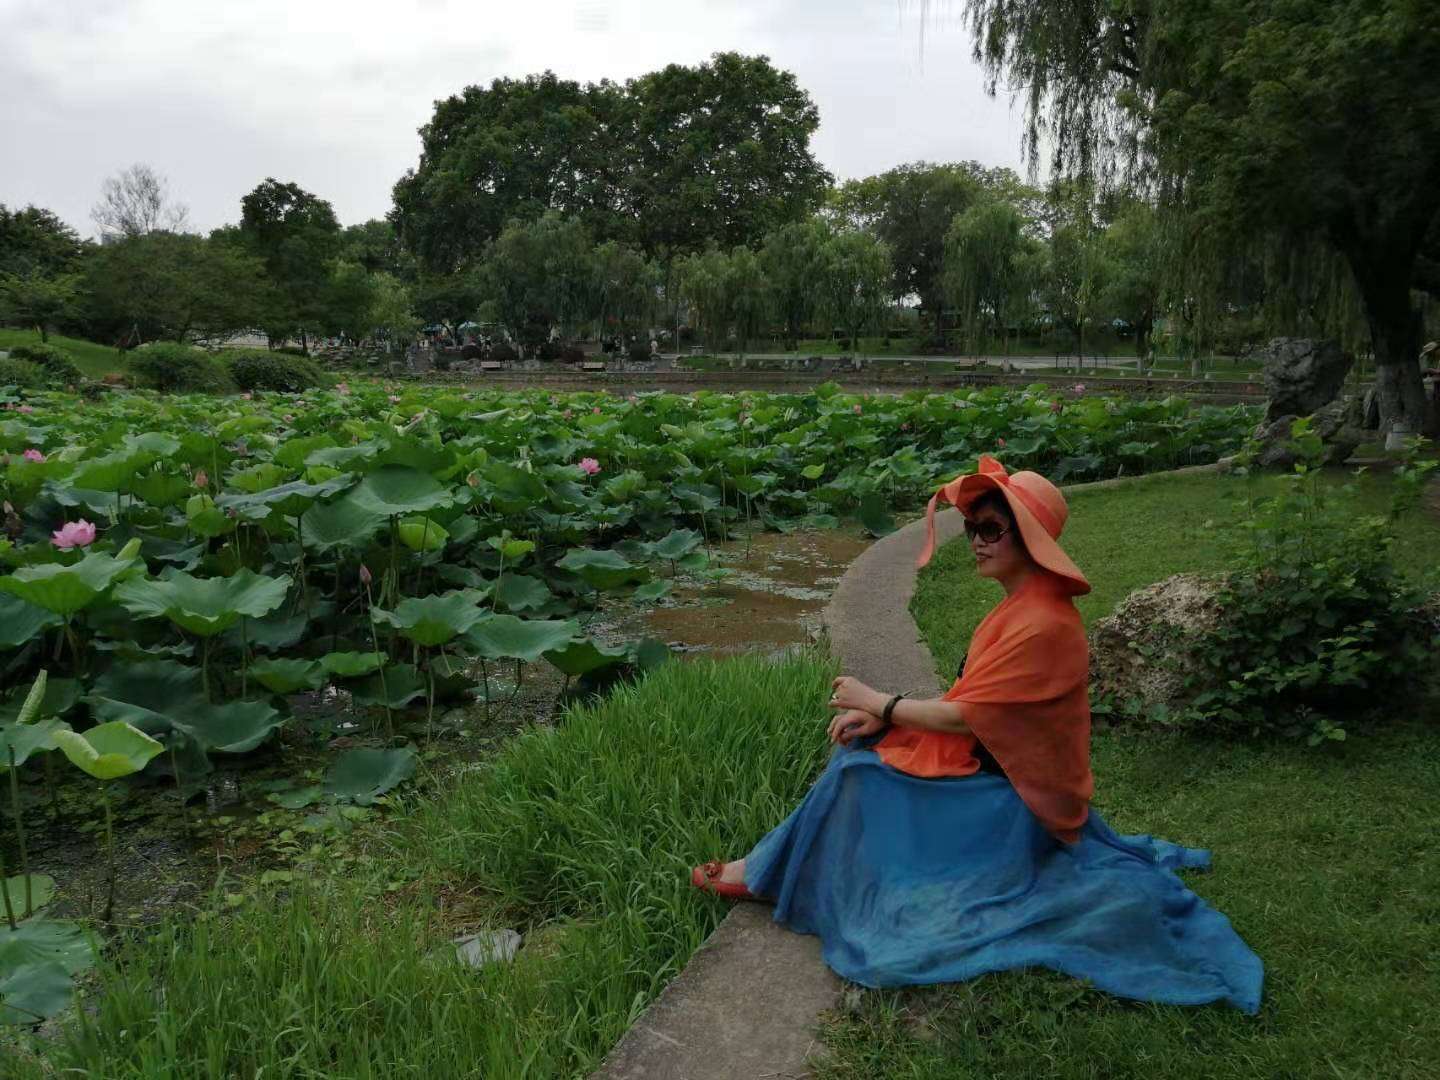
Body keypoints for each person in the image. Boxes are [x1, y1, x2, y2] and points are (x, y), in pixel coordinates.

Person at [691, 455, 1264, 1013]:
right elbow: (974, 699)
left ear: (1029, 540)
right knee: (863, 752)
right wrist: (884, 717)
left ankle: (773, 875)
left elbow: (967, 717)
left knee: (861, 776)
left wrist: (880, 702)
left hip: (1017, 795)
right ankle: (778, 870)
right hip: (992, 764)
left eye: (992, 530)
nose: (977, 542)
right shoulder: (1021, 606)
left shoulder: (1044, 623)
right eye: (971, 529)